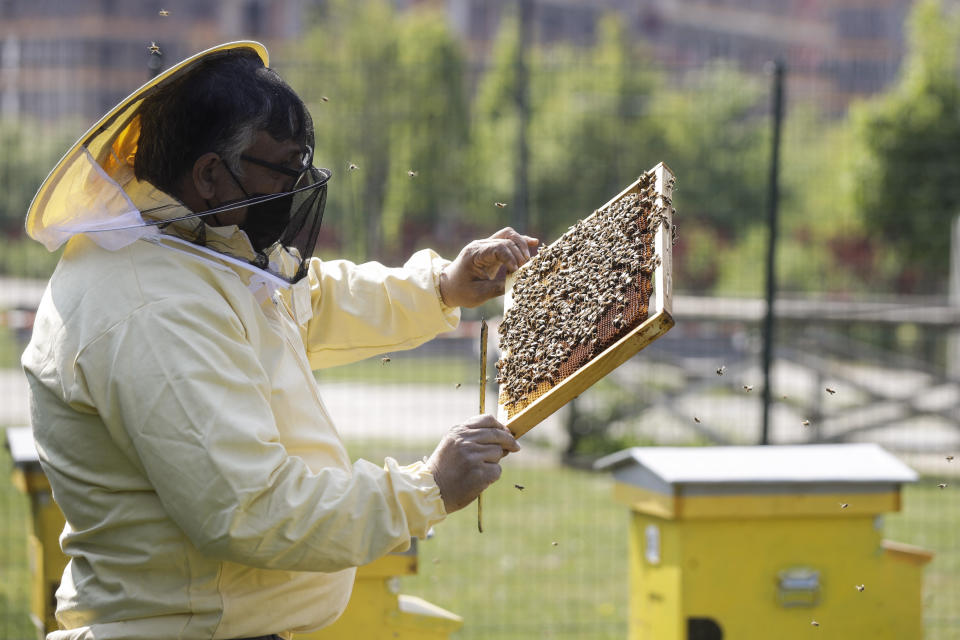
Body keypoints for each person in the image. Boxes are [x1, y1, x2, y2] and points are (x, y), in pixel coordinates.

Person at [20, 42, 537, 640]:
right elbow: (249, 507)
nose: (296, 183)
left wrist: (443, 286)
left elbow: (301, 303)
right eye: (283, 167)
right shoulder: (150, 308)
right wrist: (426, 488)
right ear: (210, 173)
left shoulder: (187, 248)